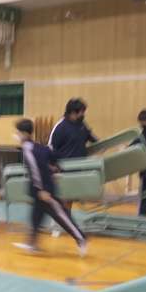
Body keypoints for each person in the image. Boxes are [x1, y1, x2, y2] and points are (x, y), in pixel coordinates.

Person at [14, 118, 87, 255]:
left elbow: (36, 171)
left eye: (18, 132)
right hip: (40, 191)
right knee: (36, 217)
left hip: (45, 191)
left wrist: (43, 190)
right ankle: (32, 244)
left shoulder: (29, 149)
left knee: (61, 216)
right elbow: (51, 156)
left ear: (25, 133)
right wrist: (54, 168)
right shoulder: (36, 146)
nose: (16, 135)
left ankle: (81, 238)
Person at [48, 98, 98, 236]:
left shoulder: (82, 125)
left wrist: (102, 144)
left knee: (69, 199)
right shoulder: (60, 127)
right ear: (72, 112)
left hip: (78, 168)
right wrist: (53, 167)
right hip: (63, 169)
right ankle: (57, 225)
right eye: (81, 112)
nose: (83, 114)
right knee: (62, 198)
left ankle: (66, 223)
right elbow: (50, 148)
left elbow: (92, 138)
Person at [135, 109, 146, 216]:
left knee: (145, 198)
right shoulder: (144, 132)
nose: (141, 124)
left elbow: (137, 142)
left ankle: (141, 220)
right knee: (145, 198)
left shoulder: (145, 133)